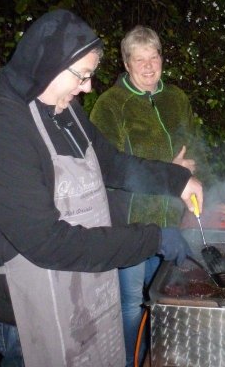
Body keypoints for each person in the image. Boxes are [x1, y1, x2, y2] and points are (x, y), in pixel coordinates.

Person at [0, 10, 202, 367]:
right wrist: (153, 239)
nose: (88, 87)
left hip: (83, 294)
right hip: (29, 316)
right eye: (83, 76)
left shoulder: (64, 109)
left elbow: (111, 163)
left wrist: (176, 180)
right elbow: (49, 243)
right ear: (49, 65)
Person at [90, 25, 216, 366]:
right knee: (132, 301)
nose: (148, 66)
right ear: (126, 63)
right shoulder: (110, 105)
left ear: (162, 58)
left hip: (173, 220)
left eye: (154, 56)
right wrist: (169, 170)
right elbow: (107, 168)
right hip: (131, 222)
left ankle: (155, 358)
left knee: (164, 297)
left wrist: (205, 191)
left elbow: (198, 149)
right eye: (138, 58)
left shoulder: (176, 98)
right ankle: (130, 360)